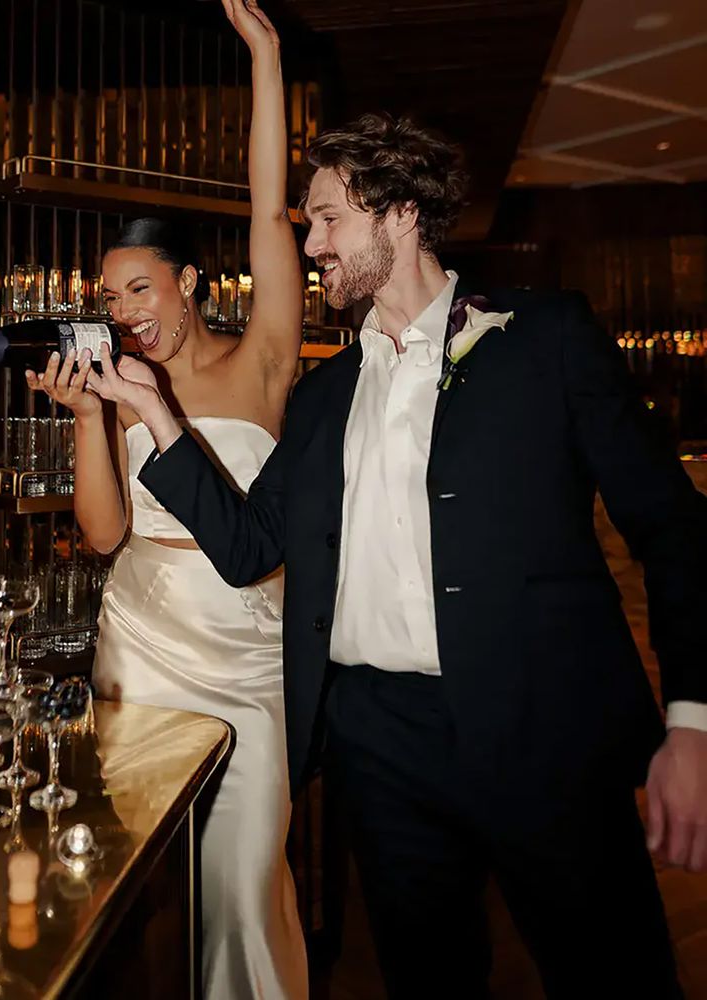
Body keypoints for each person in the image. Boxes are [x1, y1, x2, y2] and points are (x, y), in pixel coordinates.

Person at [86, 111, 707, 998]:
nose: (312, 244)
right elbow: (248, 547)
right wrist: (154, 413)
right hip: (380, 748)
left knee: (614, 976)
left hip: (541, 728)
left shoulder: (545, 339)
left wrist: (693, 722)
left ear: (402, 213)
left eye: (328, 218)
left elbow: (673, 526)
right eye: (308, 223)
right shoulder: (324, 396)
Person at [26, 2, 309, 997]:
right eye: (109, 299)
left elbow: (269, 214)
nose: (123, 312)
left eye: (139, 289)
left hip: (249, 651)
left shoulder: (262, 360)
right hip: (140, 644)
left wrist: (264, 55)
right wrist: (86, 416)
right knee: (153, 882)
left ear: (189, 281)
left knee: (240, 880)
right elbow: (105, 534)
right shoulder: (119, 387)